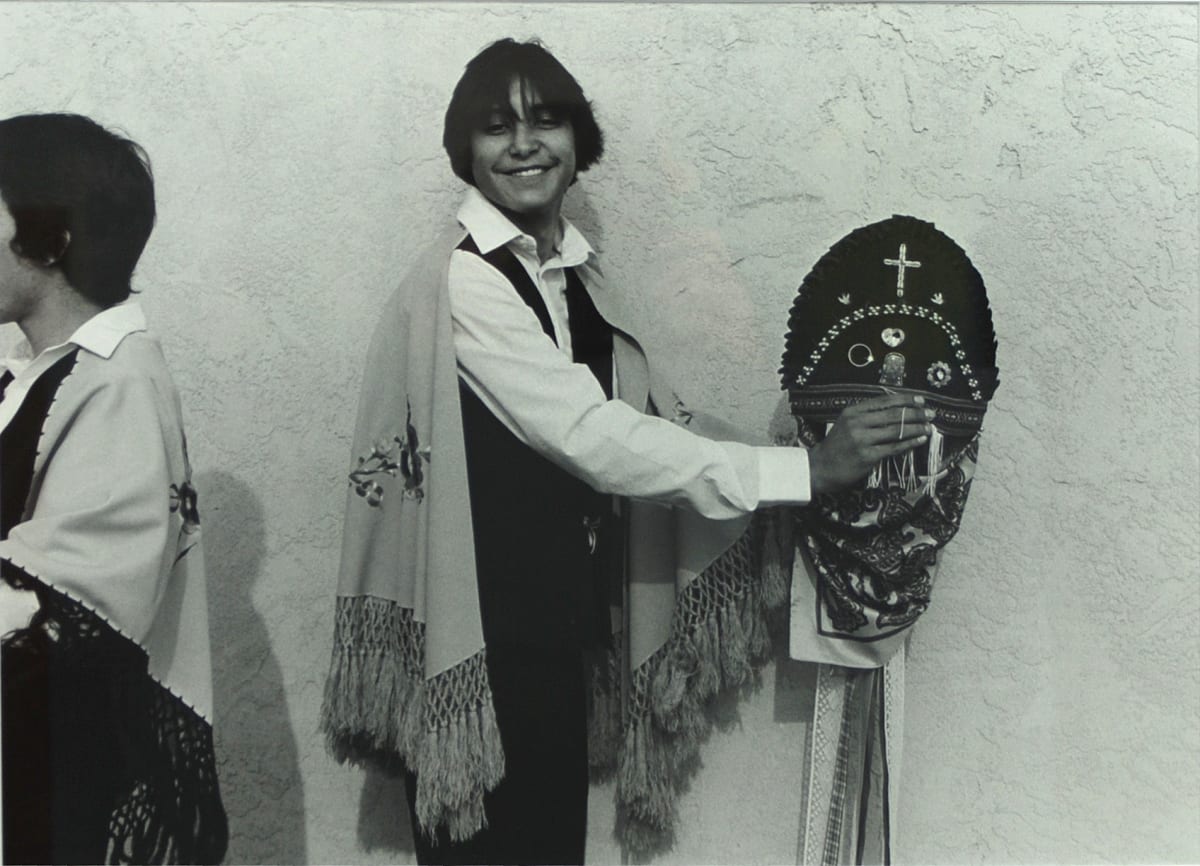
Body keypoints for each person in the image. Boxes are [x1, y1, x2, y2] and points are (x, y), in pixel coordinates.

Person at [321, 38, 932, 866]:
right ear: (465, 150)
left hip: (552, 636)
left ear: (579, 145)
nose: (525, 144)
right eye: (497, 127)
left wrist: (787, 438)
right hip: (485, 649)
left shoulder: (570, 274)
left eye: (547, 122)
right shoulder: (466, 282)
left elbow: (653, 416)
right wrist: (803, 473)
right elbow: (594, 436)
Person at [0, 113, 227, 864]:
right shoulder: (47, 372)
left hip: (73, 765)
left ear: (49, 238)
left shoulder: (117, 377)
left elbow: (66, 598)